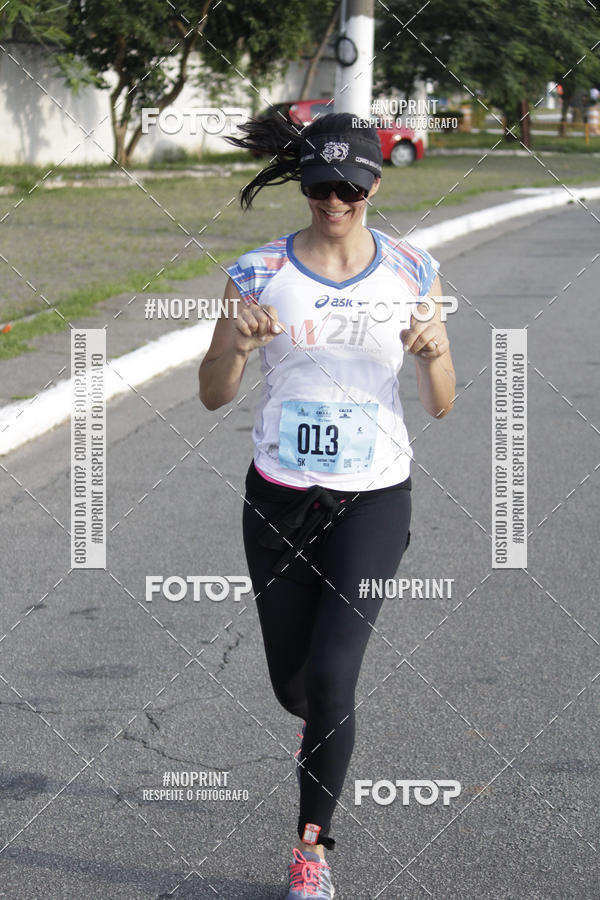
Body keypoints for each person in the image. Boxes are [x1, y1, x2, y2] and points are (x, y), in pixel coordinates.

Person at [198, 112, 456, 899]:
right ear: (303, 186)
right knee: (297, 687)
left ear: (375, 184)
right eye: (319, 185)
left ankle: (312, 848)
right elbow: (212, 396)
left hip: (374, 497)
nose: (334, 200)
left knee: (337, 678)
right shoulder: (257, 271)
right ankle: (317, 726)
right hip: (279, 496)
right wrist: (237, 347)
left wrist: (436, 352)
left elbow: (441, 403)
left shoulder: (413, 269)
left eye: (349, 186)